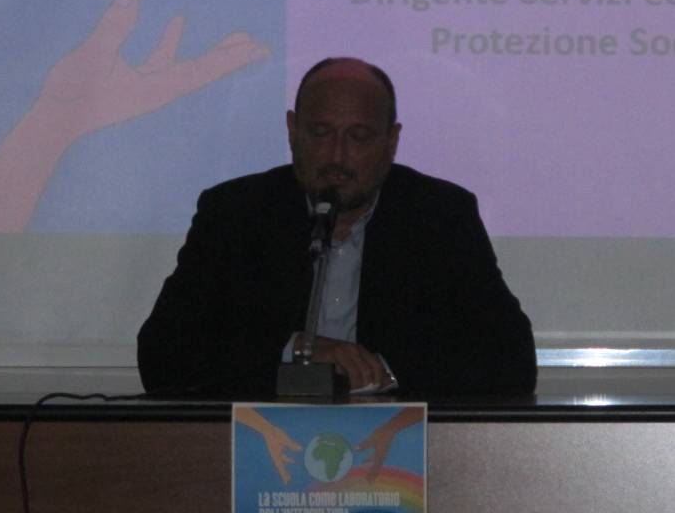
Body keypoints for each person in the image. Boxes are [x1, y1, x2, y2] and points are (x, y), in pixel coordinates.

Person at [137, 57, 536, 396]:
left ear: (391, 141)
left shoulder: (439, 217)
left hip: (397, 446)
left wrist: (381, 373)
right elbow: (162, 355)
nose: (337, 156)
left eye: (358, 137)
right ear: (293, 130)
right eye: (320, 133)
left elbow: (511, 362)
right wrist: (296, 351)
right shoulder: (236, 213)